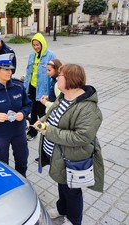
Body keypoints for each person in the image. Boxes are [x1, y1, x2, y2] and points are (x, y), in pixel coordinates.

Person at [32, 64, 104, 225]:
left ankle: (74, 220)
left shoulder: (87, 108)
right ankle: (61, 210)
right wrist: (41, 121)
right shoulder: (64, 96)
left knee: (72, 192)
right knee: (62, 184)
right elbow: (52, 114)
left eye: (60, 76)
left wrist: (49, 132)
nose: (56, 78)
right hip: (58, 156)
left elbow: (82, 137)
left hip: (71, 159)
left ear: (70, 80)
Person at [23, 32, 56, 141]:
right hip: (32, 88)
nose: (36, 47)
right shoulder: (32, 55)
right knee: (32, 111)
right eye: (34, 45)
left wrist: (52, 91)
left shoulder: (50, 55)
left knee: (41, 112)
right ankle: (32, 132)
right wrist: (25, 82)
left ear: (42, 44)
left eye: (38, 44)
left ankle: (46, 132)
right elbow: (29, 71)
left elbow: (54, 73)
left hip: (43, 90)